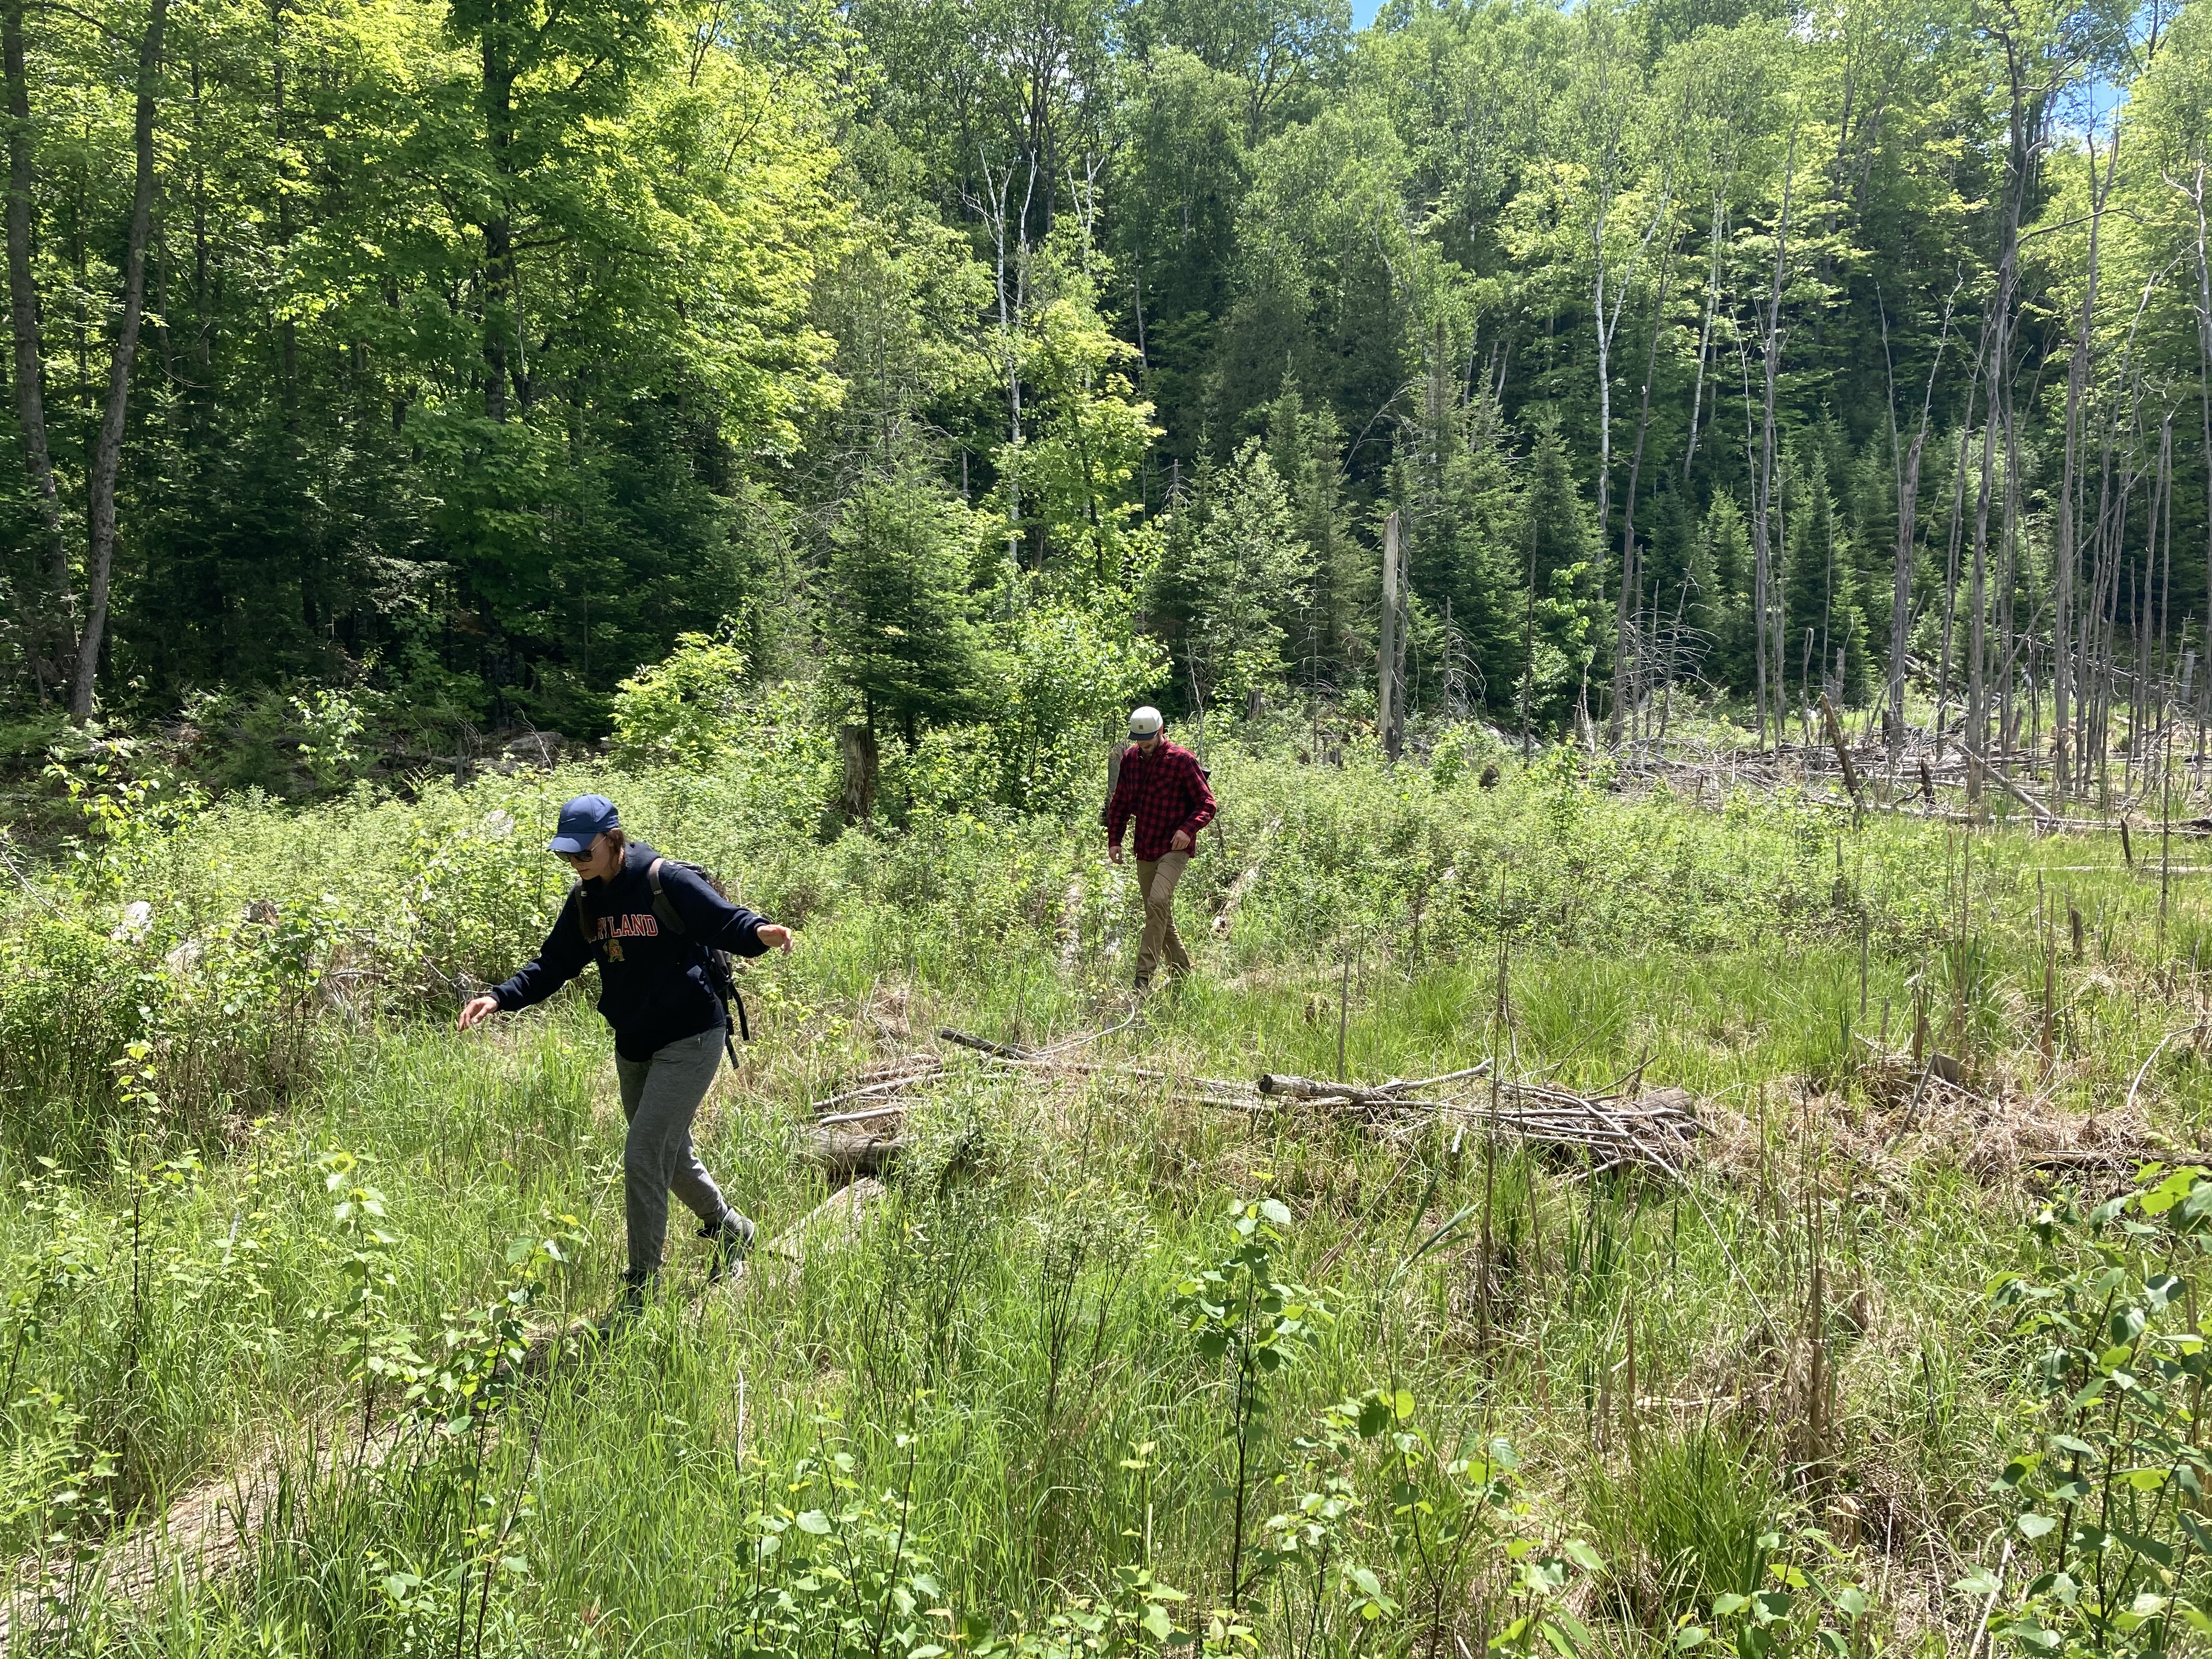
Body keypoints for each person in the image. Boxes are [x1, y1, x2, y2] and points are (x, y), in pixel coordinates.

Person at [457, 793, 793, 1320]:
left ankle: (640, 1292)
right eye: (567, 855)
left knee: (642, 1154)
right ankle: (734, 1232)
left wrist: (761, 934)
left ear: (613, 840)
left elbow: (723, 920)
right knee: (669, 1153)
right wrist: (500, 996)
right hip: (634, 1042)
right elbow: (553, 963)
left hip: (691, 1037)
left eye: (583, 851)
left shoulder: (665, 879)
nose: (575, 862)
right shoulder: (587, 899)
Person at [1104, 706, 1216, 990]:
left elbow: (1207, 803)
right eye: (1139, 739)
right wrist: (1115, 840)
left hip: (1175, 847)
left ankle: (1143, 976)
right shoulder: (1130, 759)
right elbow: (1120, 804)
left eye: (1149, 738)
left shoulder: (1182, 760)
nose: (1144, 744)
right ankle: (1183, 974)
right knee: (1158, 913)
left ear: (1161, 731)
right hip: (1145, 845)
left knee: (1157, 903)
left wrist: (1187, 829)